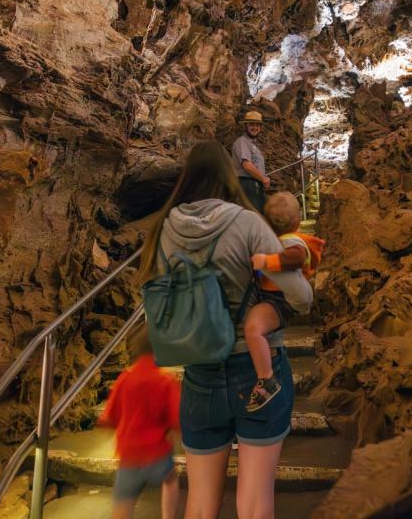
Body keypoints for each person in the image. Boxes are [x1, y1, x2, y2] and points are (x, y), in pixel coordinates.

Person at [138, 141, 312, 519]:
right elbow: (300, 296)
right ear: (227, 176)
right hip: (255, 373)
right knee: (253, 499)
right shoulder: (246, 222)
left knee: (199, 504)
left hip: (200, 374)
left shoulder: (164, 229)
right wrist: (275, 310)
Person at [243, 192, 326, 412]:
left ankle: (266, 378)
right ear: (299, 219)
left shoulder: (292, 241)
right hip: (272, 297)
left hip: (278, 300)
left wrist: (266, 261)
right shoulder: (278, 239)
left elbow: (297, 257)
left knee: (253, 330)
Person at [97, 327, 180, 519]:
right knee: (170, 480)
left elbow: (109, 418)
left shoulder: (125, 378)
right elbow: (176, 419)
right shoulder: (165, 380)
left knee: (123, 500)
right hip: (157, 454)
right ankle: (169, 516)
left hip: (129, 456)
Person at [232, 110, 269, 211]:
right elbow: (247, 165)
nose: (255, 128)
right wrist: (264, 179)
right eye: (251, 124)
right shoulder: (242, 142)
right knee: (253, 214)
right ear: (246, 126)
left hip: (254, 185)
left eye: (257, 125)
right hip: (247, 185)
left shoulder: (252, 144)